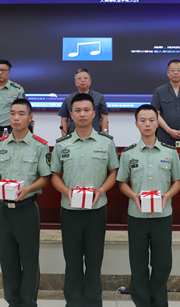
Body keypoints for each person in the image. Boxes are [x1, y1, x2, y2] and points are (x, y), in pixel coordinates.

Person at [50, 93, 119, 307]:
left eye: (86, 110)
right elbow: (54, 175)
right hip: (69, 210)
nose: (82, 114)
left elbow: (114, 172)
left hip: (96, 209)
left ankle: (92, 302)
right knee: (72, 261)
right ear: (70, 115)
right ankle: (72, 302)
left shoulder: (106, 143)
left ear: (94, 113)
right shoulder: (61, 144)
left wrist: (101, 190)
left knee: (94, 260)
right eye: (77, 110)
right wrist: (66, 192)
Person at [0, 98, 51, 307]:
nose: (16, 117)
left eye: (21, 113)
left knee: (29, 259)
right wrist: (0, 186)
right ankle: (12, 301)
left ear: (30, 118)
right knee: (8, 258)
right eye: (13, 113)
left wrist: (28, 189)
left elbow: (45, 177)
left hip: (28, 208)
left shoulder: (40, 146)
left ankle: (28, 302)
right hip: (4, 209)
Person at [117, 104, 180, 307]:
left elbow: (179, 181)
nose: (147, 124)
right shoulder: (129, 154)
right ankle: (142, 303)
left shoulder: (170, 152)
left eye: (151, 120)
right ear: (136, 123)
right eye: (143, 120)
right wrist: (134, 195)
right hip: (136, 216)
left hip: (162, 216)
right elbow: (121, 183)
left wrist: (167, 196)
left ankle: (159, 302)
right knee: (138, 264)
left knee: (162, 264)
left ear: (158, 122)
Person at [151, 60, 180, 146]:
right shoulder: (159, 91)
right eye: (172, 70)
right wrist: (169, 130)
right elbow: (156, 114)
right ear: (168, 73)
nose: (176, 73)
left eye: (179, 70)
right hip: (165, 136)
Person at [58, 68, 109, 136]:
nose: (82, 80)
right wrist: (64, 139)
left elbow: (104, 118)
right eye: (79, 78)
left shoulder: (99, 97)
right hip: (74, 136)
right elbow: (64, 119)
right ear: (75, 82)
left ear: (90, 81)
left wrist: (104, 137)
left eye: (85, 78)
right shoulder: (68, 99)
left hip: (96, 136)